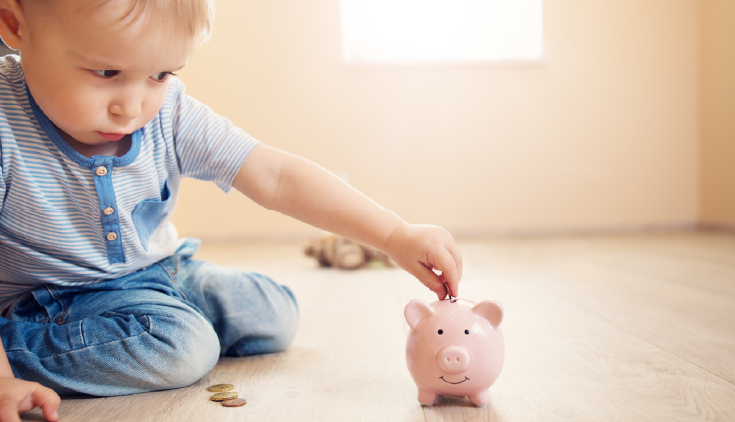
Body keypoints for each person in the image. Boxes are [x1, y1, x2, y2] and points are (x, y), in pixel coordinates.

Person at [0, 0, 463, 420]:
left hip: (160, 270)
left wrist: (394, 235)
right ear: (14, 24)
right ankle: (18, 348)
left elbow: (275, 175)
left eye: (161, 75)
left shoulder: (169, 113)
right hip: (52, 300)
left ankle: (151, 320)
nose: (133, 106)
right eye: (106, 74)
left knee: (273, 312)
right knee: (185, 348)